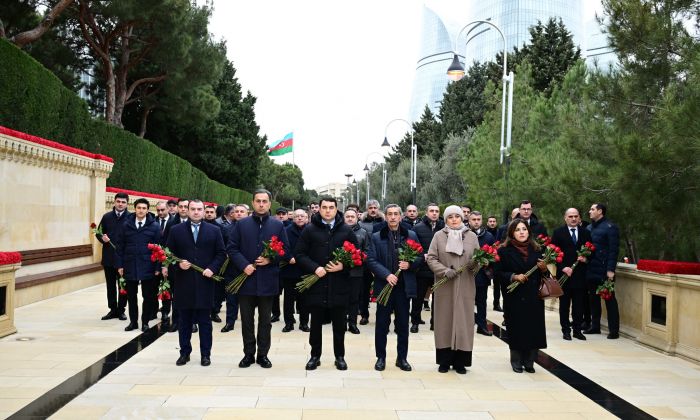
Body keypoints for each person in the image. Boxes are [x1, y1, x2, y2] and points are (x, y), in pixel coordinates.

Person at [227, 189, 290, 369]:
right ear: (253, 203)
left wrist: (271, 259)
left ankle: (263, 354)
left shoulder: (277, 225)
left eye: (264, 201)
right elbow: (231, 248)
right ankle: (248, 354)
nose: (261, 204)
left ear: (270, 203)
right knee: (247, 321)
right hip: (246, 280)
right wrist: (244, 265)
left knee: (265, 321)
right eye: (258, 201)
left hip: (268, 281)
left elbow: (285, 251)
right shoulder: (242, 224)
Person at [294, 197, 359, 371]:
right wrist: (315, 268)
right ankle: (315, 356)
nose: (328, 210)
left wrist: (343, 265)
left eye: (331, 207)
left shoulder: (346, 230)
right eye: (324, 207)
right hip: (316, 285)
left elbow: (357, 255)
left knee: (339, 325)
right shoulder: (309, 229)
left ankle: (340, 356)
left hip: (339, 285)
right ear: (319, 209)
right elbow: (299, 254)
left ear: (337, 209)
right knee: (315, 324)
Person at [164, 199, 226, 366]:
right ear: (187, 210)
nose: (196, 212)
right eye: (193, 209)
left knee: (205, 322)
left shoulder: (214, 230)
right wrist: (178, 264)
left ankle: (206, 354)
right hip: (184, 283)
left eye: (199, 209)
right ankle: (184, 353)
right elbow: (168, 254)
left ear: (204, 211)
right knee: (184, 321)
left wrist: (212, 268)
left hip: (205, 282)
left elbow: (221, 253)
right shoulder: (176, 230)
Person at [425, 205, 480, 374]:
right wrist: (444, 271)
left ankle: (460, 362)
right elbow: (431, 258)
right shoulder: (439, 236)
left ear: (462, 218)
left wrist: (475, 264)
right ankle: (444, 361)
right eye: (450, 217)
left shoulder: (471, 236)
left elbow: (479, 259)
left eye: (457, 216)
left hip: (465, 285)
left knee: (464, 322)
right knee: (444, 322)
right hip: (445, 286)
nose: (454, 219)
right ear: (446, 219)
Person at [367, 204, 421, 372]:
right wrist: (386, 275)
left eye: (395, 214)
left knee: (403, 324)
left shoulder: (411, 234)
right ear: (385, 216)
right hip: (384, 285)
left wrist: (410, 264)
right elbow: (371, 260)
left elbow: (420, 257)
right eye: (389, 214)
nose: (392, 217)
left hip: (403, 287)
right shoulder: (376, 236)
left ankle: (402, 358)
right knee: (382, 324)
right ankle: (380, 357)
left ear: (401, 216)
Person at [494, 219, 548, 373]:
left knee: (533, 328)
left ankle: (530, 361)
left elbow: (545, 276)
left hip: (534, 296)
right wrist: (513, 276)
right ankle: (516, 360)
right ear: (512, 233)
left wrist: (544, 269)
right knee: (517, 328)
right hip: (514, 296)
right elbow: (497, 274)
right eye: (517, 230)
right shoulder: (503, 251)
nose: (522, 232)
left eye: (524, 229)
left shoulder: (537, 249)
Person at [114, 198, 160, 332]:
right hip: (130, 265)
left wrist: (158, 267)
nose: (141, 210)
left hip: (148, 265)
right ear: (134, 209)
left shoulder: (155, 226)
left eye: (144, 208)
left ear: (148, 210)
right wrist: (120, 265)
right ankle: (133, 322)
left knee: (148, 296)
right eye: (139, 208)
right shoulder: (126, 224)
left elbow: (159, 248)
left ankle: (145, 322)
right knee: (131, 296)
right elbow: (120, 247)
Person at [551, 208, 592, 341]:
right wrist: (563, 268)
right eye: (570, 216)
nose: (573, 219)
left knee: (579, 305)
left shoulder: (586, 232)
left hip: (580, 275)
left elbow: (591, 251)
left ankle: (577, 330)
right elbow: (553, 254)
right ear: (565, 218)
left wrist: (586, 259)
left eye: (576, 216)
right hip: (564, 276)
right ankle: (566, 330)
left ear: (579, 218)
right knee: (564, 305)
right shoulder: (558, 233)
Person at [585, 203, 620, 339]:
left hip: (604, 271)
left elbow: (613, 250)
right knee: (593, 300)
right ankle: (595, 326)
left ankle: (614, 330)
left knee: (609, 300)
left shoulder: (610, 227)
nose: (590, 211)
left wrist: (610, 269)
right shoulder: (588, 228)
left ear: (600, 211)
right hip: (590, 269)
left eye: (592, 209)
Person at [411, 203, 444, 332]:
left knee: (438, 299)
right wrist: (422, 255)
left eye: (436, 211)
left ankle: (434, 323)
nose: (434, 213)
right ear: (426, 212)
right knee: (418, 298)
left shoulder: (444, 228)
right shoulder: (417, 228)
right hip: (422, 269)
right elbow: (413, 246)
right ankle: (415, 322)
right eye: (432, 211)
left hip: (438, 269)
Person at [96, 192, 130, 321]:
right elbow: (98, 232)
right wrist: (102, 238)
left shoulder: (130, 218)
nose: (120, 204)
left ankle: (121, 310)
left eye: (123, 202)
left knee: (123, 285)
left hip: (123, 260)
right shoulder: (107, 217)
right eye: (118, 201)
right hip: (108, 258)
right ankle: (113, 309)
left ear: (127, 204)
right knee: (110, 285)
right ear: (114, 202)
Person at [219, 204, 249, 333]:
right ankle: (229, 322)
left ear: (247, 213)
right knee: (231, 297)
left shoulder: (252, 229)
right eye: (236, 211)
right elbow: (221, 246)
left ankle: (247, 321)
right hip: (231, 267)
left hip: (248, 268)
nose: (239, 213)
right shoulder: (226, 229)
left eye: (242, 211)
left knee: (247, 298)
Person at [468, 211, 496, 336]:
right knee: (466, 301)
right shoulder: (464, 235)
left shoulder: (489, 236)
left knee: (481, 301)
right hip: (467, 274)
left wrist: (488, 262)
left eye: (478, 219)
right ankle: (466, 325)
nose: (476, 222)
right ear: (469, 221)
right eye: (473, 219)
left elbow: (494, 254)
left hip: (482, 275)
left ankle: (482, 326)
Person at [281, 209, 309, 332]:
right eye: (297, 216)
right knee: (288, 299)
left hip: (305, 270)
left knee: (304, 299)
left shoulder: (310, 230)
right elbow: (281, 247)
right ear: (293, 218)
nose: (299, 218)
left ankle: (304, 323)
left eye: (302, 216)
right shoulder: (286, 231)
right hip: (289, 269)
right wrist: (288, 257)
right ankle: (289, 323)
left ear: (306, 218)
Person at [358, 199, 385, 325]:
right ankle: (364, 315)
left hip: (381, 260)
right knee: (364, 290)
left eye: (375, 208)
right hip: (365, 261)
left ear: (378, 209)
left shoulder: (384, 223)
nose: (373, 210)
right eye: (370, 208)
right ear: (367, 209)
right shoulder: (361, 223)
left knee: (382, 288)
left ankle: (382, 315)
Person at [343, 208, 369, 334]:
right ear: (344, 218)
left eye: (352, 216)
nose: (350, 218)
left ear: (357, 218)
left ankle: (352, 323)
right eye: (347, 216)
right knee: (342, 298)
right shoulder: (338, 231)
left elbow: (367, 250)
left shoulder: (363, 232)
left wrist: (359, 258)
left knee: (354, 298)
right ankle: (342, 322)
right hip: (340, 271)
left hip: (356, 271)